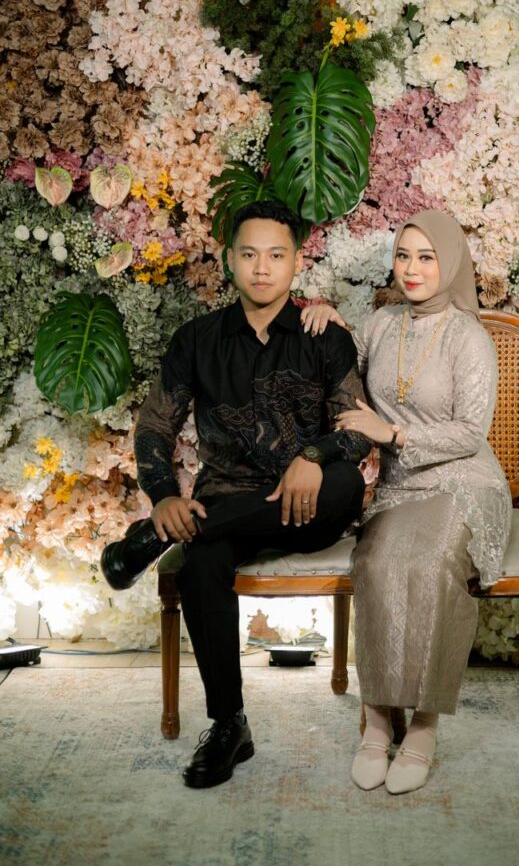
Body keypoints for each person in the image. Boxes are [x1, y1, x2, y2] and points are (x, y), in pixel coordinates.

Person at [100, 200, 371, 789]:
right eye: (249, 254)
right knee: (201, 565)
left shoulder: (324, 337)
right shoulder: (196, 340)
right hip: (225, 504)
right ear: (229, 259)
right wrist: (164, 496)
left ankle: (152, 541)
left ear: (296, 261)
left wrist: (313, 456)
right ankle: (229, 725)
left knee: (347, 484)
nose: (262, 268)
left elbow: (356, 431)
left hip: (310, 505)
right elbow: (155, 426)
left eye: (276, 255)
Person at [301, 210, 512, 795]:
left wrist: (391, 432)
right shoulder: (381, 324)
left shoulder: (469, 337)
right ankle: (376, 719)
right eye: (403, 256)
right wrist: (327, 316)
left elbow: (470, 433)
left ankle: (423, 725)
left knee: (432, 563)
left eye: (427, 257)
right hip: (400, 486)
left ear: (450, 264)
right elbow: (340, 365)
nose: (412, 269)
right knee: (375, 563)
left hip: (463, 482)